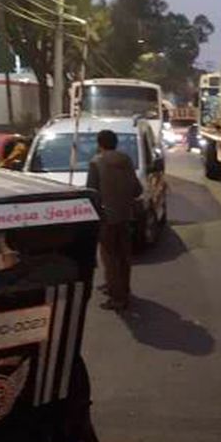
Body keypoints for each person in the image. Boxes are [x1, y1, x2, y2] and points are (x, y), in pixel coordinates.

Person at [86, 129, 142, 311]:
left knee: (109, 257)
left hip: (106, 217)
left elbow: (91, 192)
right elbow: (137, 190)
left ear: (99, 143)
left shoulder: (96, 162)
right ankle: (123, 288)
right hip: (125, 215)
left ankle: (117, 297)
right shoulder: (125, 160)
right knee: (124, 256)